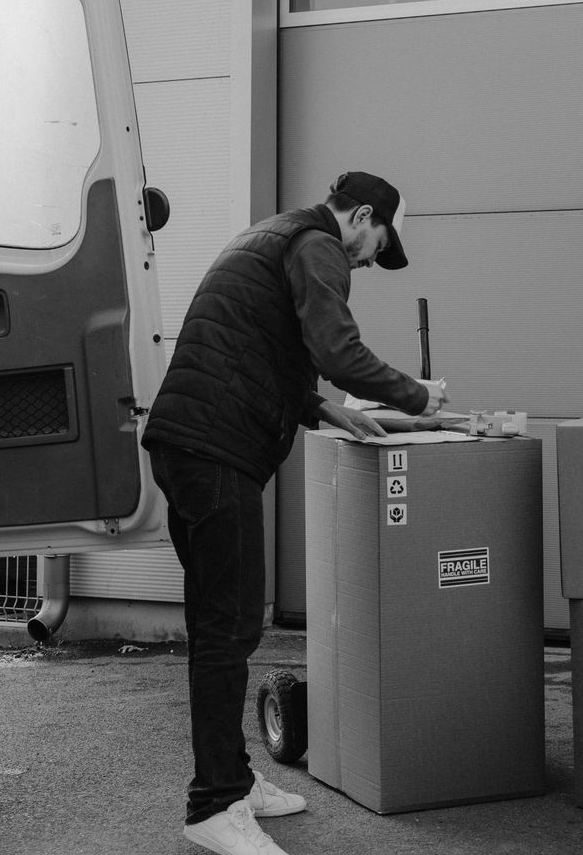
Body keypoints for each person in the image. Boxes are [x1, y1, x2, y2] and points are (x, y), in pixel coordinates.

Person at [142, 171, 448, 855]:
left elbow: (263, 345)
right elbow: (337, 351)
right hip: (216, 451)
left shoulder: (271, 234)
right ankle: (214, 808)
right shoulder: (319, 247)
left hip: (188, 443)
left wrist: (324, 409)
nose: (370, 260)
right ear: (362, 215)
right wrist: (420, 398)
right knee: (230, 628)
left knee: (217, 625)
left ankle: (234, 779)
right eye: (377, 244)